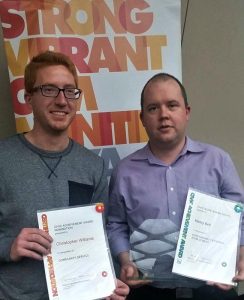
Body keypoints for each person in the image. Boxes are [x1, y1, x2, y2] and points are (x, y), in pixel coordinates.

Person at [0, 50, 129, 300]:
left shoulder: (94, 167)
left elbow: (97, 240)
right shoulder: (3, 159)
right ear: (28, 97)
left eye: (70, 91)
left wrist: (108, 280)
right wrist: (9, 246)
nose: (62, 100)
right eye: (49, 89)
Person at [107, 73, 244, 300]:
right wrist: (126, 260)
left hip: (213, 289)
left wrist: (241, 253)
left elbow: (240, 216)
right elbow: (116, 225)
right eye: (153, 108)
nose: (164, 115)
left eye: (172, 105)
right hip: (148, 292)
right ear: (142, 118)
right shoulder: (124, 171)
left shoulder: (218, 161)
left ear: (186, 112)